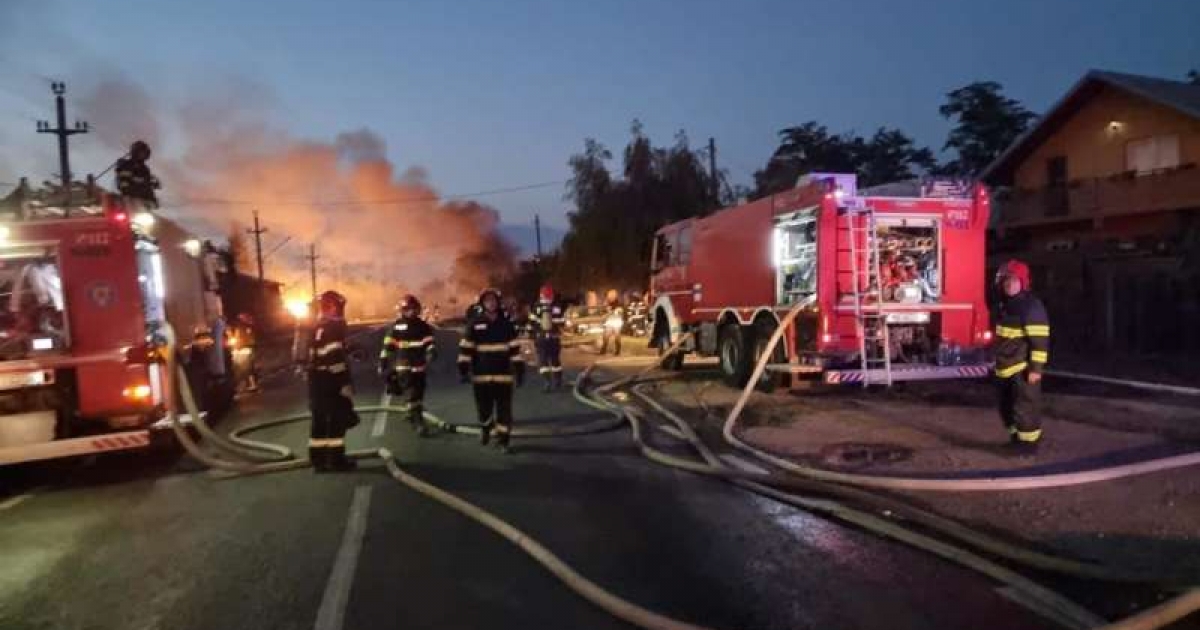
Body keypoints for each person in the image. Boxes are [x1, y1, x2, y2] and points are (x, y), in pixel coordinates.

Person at [993, 260, 1051, 454]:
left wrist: (1036, 369)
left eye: (1014, 281)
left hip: (1021, 367)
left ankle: (1028, 446)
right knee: (1007, 407)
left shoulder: (1031, 306)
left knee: (1025, 407)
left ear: (1023, 282)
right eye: (1006, 281)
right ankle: (1016, 439)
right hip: (1005, 366)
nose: (1009, 284)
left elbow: (1039, 342)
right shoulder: (1005, 305)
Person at [457, 288, 524, 453]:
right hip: (481, 376)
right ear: (482, 303)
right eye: (487, 301)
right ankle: (486, 428)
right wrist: (463, 370)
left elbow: (515, 350)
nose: (491, 303)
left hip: (503, 376)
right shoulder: (474, 324)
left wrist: (519, 370)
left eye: (493, 300)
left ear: (498, 303)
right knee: (484, 409)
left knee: (504, 410)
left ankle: (503, 441)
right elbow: (466, 349)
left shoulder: (506, 325)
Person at [303, 291, 359, 471]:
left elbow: (322, 351)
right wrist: (344, 383)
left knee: (319, 420)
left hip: (315, 380)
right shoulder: (333, 327)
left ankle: (318, 461)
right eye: (339, 306)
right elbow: (334, 357)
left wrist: (349, 349)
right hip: (330, 380)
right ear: (334, 307)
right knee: (337, 419)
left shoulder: (316, 326)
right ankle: (336, 460)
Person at [379, 295, 437, 436]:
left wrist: (431, 351)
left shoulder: (423, 326)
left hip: (419, 365)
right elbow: (388, 346)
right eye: (407, 309)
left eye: (413, 309)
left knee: (419, 391)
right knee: (413, 392)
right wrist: (383, 362)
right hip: (403, 365)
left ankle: (412, 412)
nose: (411, 312)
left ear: (417, 309)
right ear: (402, 310)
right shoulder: (396, 326)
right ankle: (417, 421)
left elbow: (429, 342)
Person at [531, 284, 566, 391]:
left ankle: (548, 381)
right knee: (554, 360)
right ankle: (556, 381)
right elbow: (561, 322)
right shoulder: (556, 306)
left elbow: (532, 321)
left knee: (544, 360)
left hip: (542, 338)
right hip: (552, 338)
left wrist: (532, 334)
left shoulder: (537, 306)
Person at [115, 140, 161, 209]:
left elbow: (148, 182)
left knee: (152, 206)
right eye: (141, 152)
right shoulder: (127, 165)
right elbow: (124, 183)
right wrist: (127, 190)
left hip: (142, 201)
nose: (143, 155)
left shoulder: (145, 168)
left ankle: (151, 204)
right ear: (135, 152)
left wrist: (154, 184)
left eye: (144, 153)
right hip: (129, 198)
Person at [230, 312, 259, 393]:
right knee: (242, 368)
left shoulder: (248, 326)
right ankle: (248, 385)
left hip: (245, 349)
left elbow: (251, 338)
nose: (240, 319)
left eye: (242, 317)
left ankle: (252, 384)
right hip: (240, 349)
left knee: (248, 368)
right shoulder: (239, 327)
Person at [599, 289, 624, 356]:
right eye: (610, 295)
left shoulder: (618, 303)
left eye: (613, 295)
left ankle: (618, 350)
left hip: (616, 322)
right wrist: (606, 313)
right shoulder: (606, 303)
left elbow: (621, 311)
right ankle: (603, 349)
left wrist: (616, 311)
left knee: (617, 337)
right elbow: (603, 313)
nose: (611, 297)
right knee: (606, 336)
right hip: (609, 322)